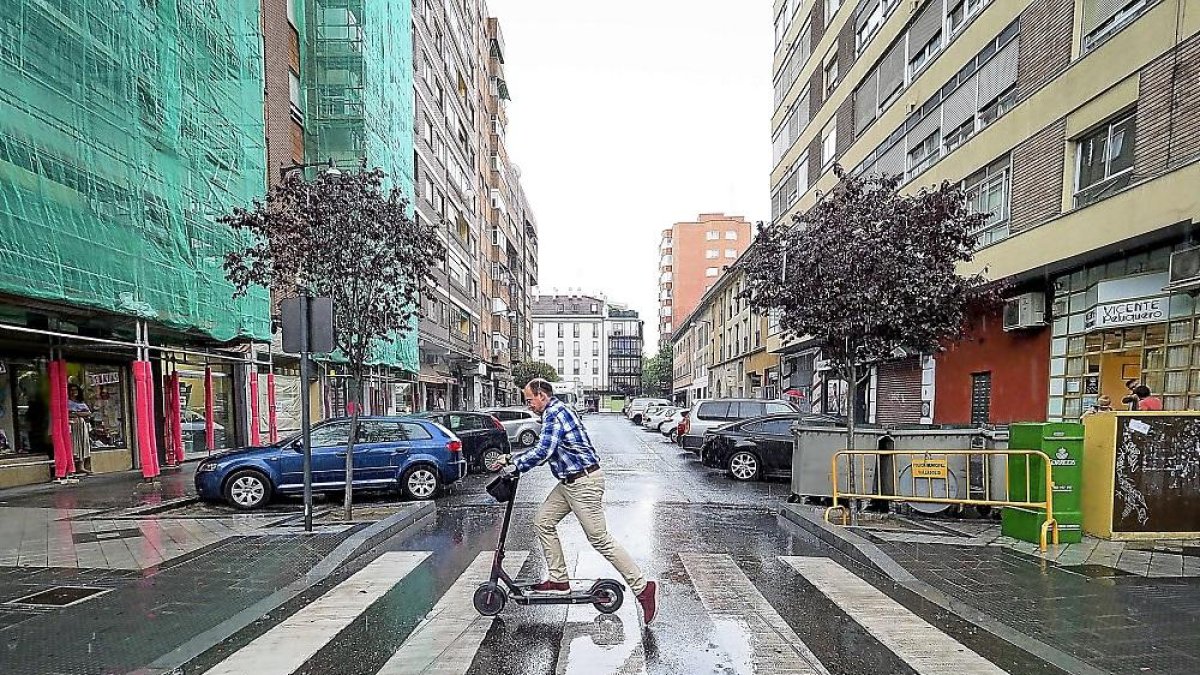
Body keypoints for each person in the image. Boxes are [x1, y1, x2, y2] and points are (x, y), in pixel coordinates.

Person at [502, 378, 658, 624]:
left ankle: (643, 588)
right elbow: (547, 449)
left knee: (600, 539)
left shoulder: (554, 413)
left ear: (542, 395)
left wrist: (515, 465)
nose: (528, 404)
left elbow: (544, 451)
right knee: (543, 521)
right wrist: (512, 460)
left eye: (530, 399)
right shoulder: (554, 412)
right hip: (569, 482)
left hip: (584, 483)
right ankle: (559, 580)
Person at [67, 383, 93, 475]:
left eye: (75, 390)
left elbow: (88, 413)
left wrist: (76, 413)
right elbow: (67, 414)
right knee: (74, 445)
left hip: (82, 426)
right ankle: (72, 466)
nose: (73, 392)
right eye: (71, 390)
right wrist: (79, 413)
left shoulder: (81, 402)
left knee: (83, 444)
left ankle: (81, 466)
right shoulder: (67, 402)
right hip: (72, 426)